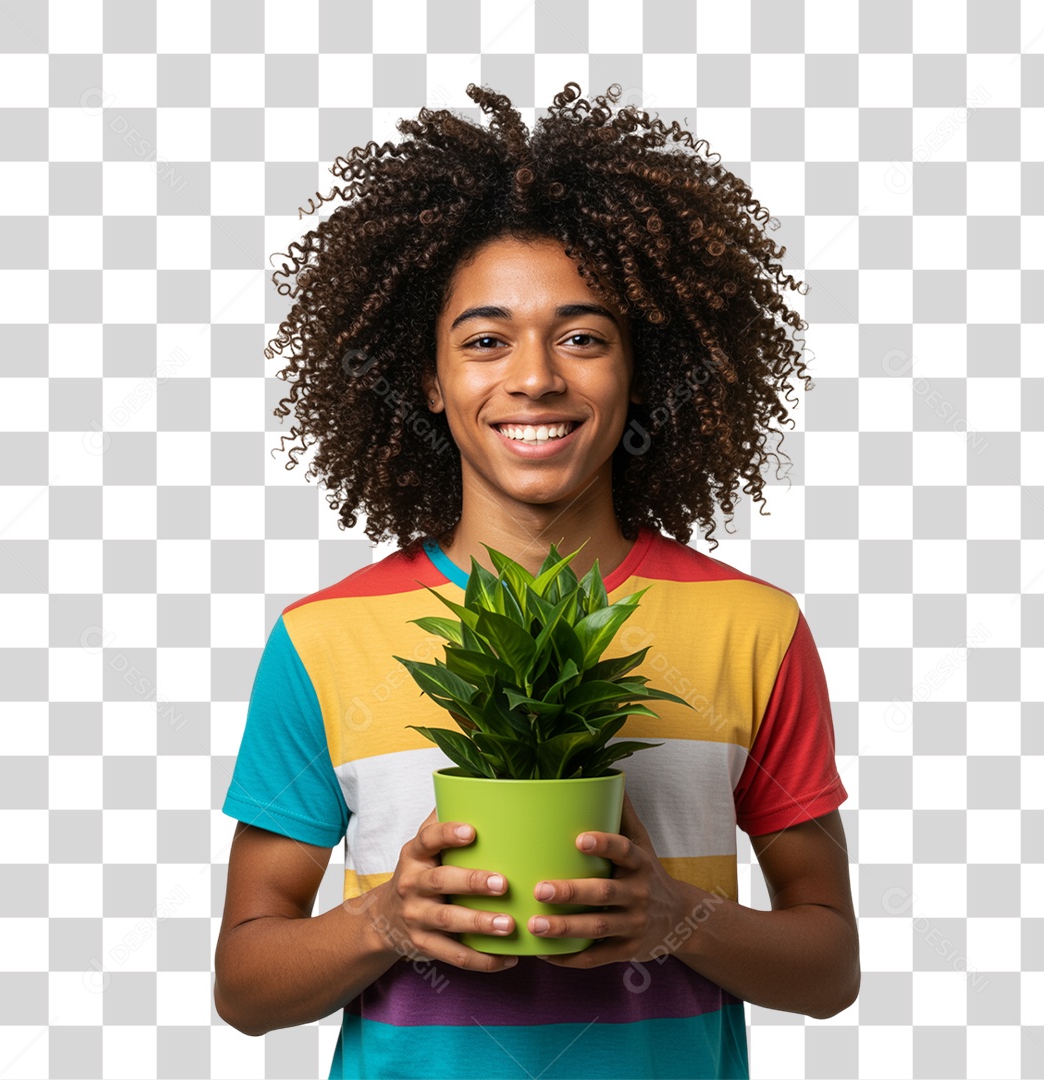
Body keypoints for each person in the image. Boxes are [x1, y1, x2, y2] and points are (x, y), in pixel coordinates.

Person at [213, 82, 859, 1079]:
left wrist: (675, 918)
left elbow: (828, 970)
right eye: (484, 340)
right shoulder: (323, 639)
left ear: (639, 372)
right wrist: (385, 919)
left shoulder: (755, 629)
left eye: (584, 336)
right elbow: (246, 988)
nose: (536, 378)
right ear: (427, 378)